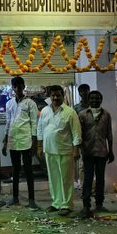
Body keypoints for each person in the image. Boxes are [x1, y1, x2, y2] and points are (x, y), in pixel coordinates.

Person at [37, 85, 82, 216]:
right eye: (53, 96)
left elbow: (76, 132)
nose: (55, 98)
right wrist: (40, 146)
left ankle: (67, 205)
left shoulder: (70, 112)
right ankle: (56, 203)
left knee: (66, 179)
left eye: (58, 95)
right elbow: (40, 129)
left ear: (63, 96)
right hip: (49, 149)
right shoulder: (45, 110)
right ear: (49, 97)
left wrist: (76, 150)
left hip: (64, 150)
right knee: (53, 178)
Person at [2, 76, 38, 208]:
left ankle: (32, 199)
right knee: (15, 170)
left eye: (20, 85)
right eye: (15, 86)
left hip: (26, 140)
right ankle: (15, 197)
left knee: (28, 170)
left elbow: (34, 123)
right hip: (13, 140)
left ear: (24, 86)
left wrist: (34, 142)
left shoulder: (30, 103)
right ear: (12, 87)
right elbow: (8, 121)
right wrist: (5, 141)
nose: (17, 88)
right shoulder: (9, 103)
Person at [77, 90, 114, 218]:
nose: (94, 100)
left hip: (102, 152)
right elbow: (79, 134)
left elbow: (109, 133)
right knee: (87, 179)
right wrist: (81, 149)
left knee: (100, 179)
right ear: (88, 100)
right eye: (92, 98)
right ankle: (86, 206)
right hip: (87, 152)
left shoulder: (106, 114)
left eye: (97, 98)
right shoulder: (82, 114)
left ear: (101, 99)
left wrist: (111, 150)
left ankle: (99, 204)